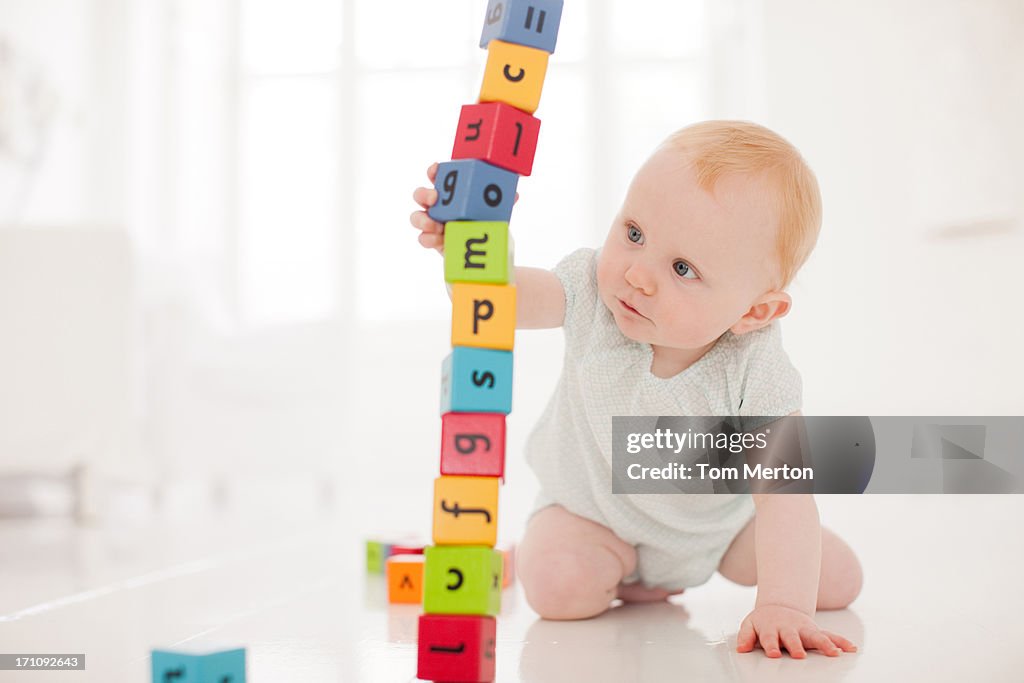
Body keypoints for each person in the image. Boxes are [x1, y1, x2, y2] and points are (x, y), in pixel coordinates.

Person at [410, 120, 862, 659]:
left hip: (719, 529)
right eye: (634, 233)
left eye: (682, 268)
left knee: (838, 580)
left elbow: (784, 497)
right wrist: (472, 250)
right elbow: (503, 300)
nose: (638, 276)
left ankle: (672, 578)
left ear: (754, 312)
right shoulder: (587, 292)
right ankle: (617, 576)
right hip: (590, 514)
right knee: (557, 587)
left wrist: (785, 605)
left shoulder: (757, 368)